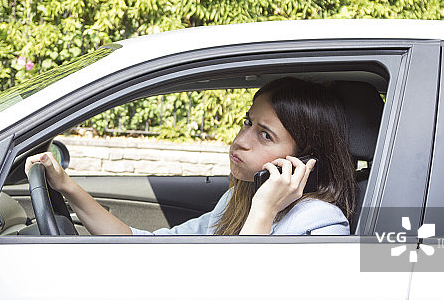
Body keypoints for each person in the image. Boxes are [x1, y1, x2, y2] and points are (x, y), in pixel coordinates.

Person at [25, 77, 356, 235]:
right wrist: (67, 186)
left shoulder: (320, 226)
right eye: (247, 123)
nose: (241, 140)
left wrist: (264, 210)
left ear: (305, 162)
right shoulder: (235, 201)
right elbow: (144, 246)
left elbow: (243, 297)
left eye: (264, 135)